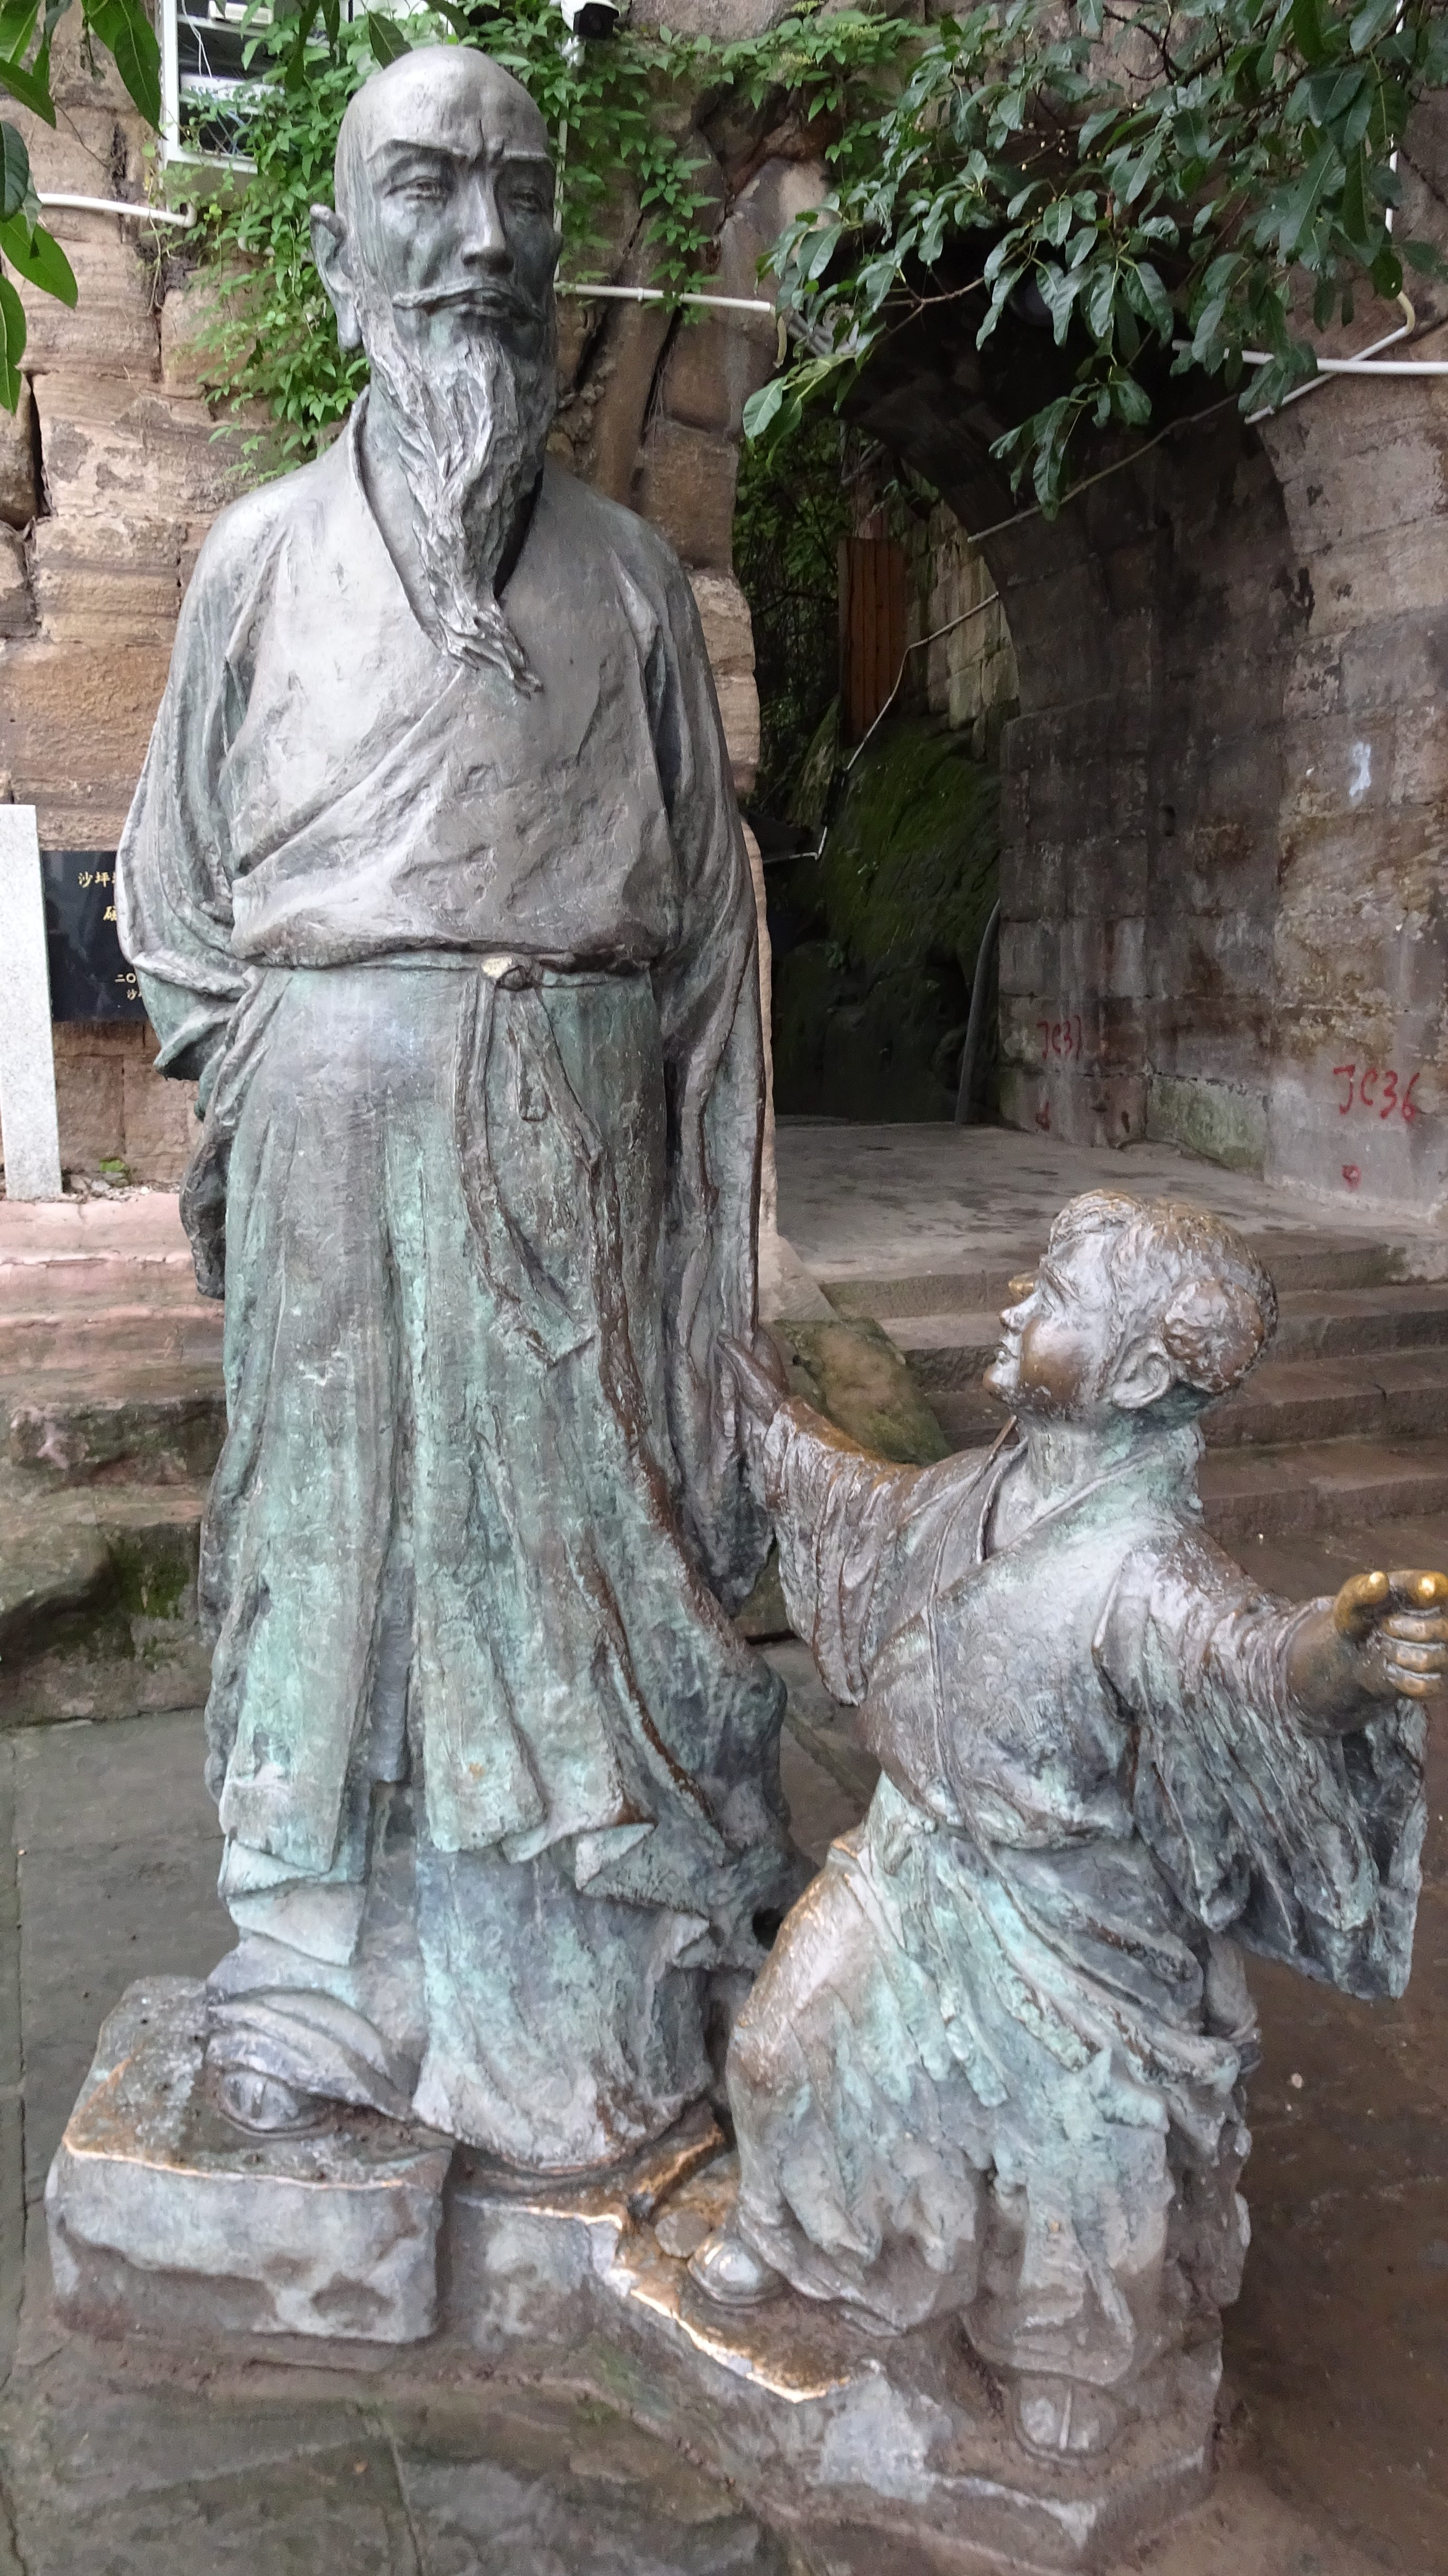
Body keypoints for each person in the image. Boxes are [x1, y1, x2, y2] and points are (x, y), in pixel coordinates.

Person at [115, 45, 801, 2169]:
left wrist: (692, 1226)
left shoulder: (630, 584)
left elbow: (707, 938)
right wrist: (283, 1078)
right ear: (340, 253)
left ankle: (580, 1965)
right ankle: (316, 1972)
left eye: (519, 193)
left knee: (581, 1578)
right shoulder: (251, 562)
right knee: (325, 1572)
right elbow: (171, 892)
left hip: (573, 1163)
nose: (482, 240)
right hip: (325, 1162)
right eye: (426, 188)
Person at [689, 1191, 1445, 2460]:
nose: (1014, 1305)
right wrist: (765, 1415)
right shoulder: (974, 1489)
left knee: (1081, 2152)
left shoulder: (1148, 1568)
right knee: (775, 2052)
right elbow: (863, 1508)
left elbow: (1249, 1664)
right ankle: (797, 2231)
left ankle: (1066, 2354)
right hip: (912, 1861)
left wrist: (1340, 1661)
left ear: (1140, 1374)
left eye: (1053, 1295)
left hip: (1070, 1925)